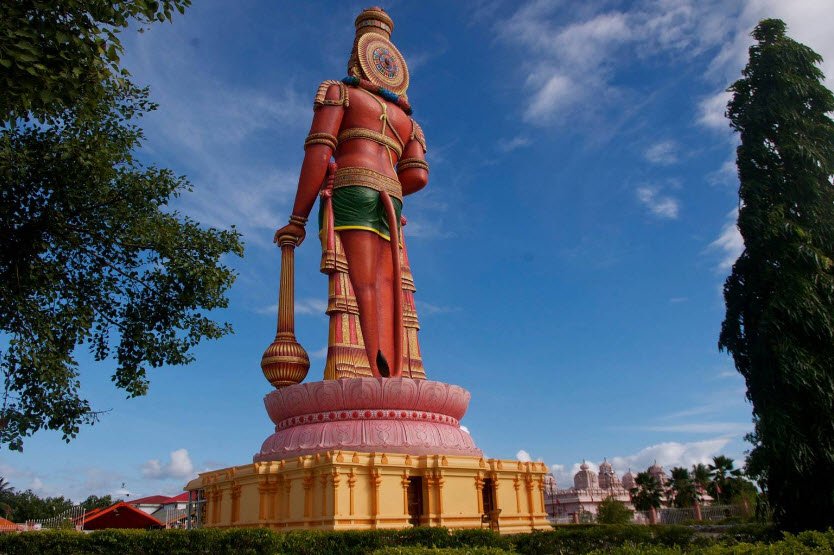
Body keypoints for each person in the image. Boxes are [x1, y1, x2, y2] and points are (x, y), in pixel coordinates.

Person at [274, 8, 428, 378]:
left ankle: (372, 373)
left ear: (356, 59)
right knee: (390, 283)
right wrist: (393, 189)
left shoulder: (340, 92)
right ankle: (397, 372)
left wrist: (297, 220)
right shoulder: (408, 121)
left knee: (363, 283)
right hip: (390, 196)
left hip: (354, 187)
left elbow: (319, 151)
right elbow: (418, 176)